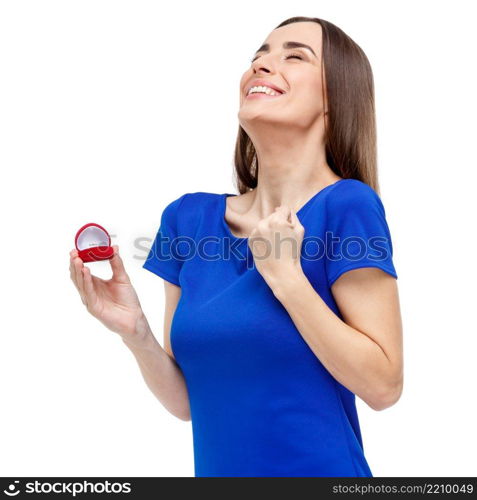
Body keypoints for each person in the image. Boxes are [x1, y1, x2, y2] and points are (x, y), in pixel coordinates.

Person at [69, 16, 403, 477]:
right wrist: (135, 332)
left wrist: (287, 278)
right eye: (259, 56)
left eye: (294, 55)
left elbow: (384, 385)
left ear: (334, 99)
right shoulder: (187, 218)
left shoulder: (348, 207)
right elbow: (189, 402)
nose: (263, 65)